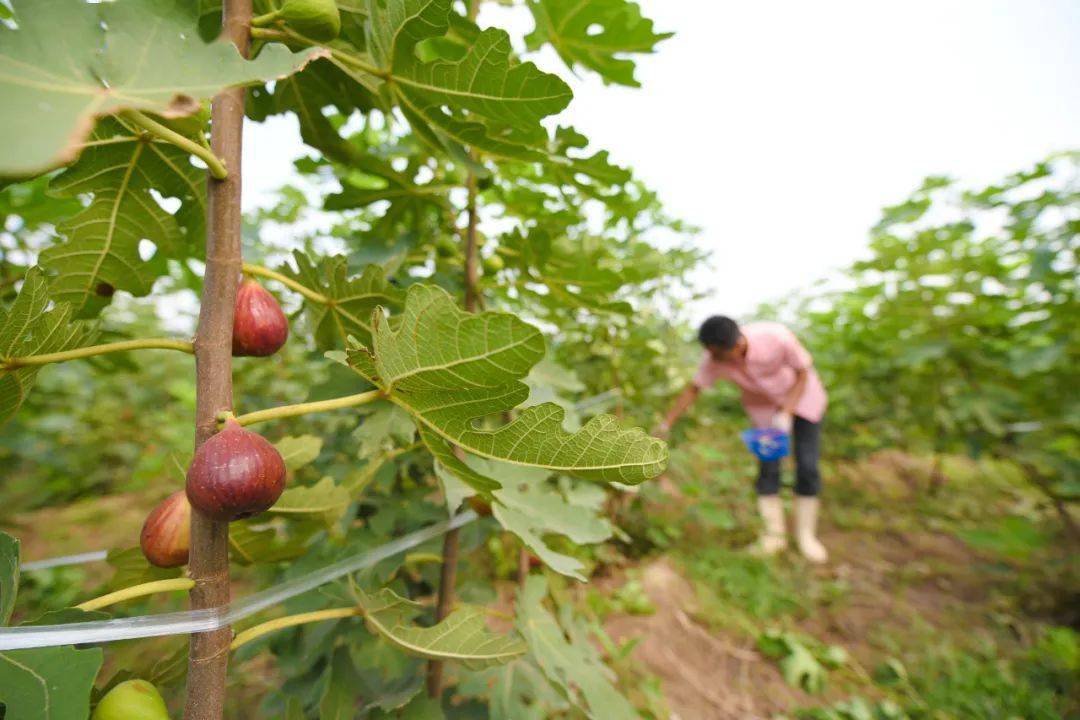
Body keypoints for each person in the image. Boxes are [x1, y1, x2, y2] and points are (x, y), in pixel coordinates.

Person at [657, 316, 829, 563]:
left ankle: (806, 537)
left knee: (807, 465)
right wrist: (666, 423)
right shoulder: (714, 357)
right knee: (769, 469)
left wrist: (788, 412)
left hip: (803, 401)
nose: (714, 360)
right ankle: (773, 538)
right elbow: (693, 388)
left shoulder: (776, 337)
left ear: (737, 346)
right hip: (765, 413)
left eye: (720, 355)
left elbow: (803, 373)